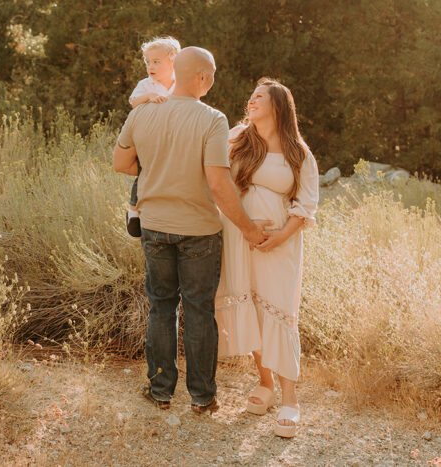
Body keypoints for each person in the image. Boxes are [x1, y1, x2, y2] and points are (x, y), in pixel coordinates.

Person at [113, 47, 267, 414]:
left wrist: (157, 168)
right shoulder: (212, 119)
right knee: (199, 311)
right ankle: (202, 397)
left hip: (154, 226)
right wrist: (247, 228)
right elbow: (218, 183)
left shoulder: (142, 113)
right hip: (199, 230)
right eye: (211, 74)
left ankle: (161, 391)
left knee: (161, 308)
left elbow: (121, 163)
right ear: (202, 78)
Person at [214, 78, 319, 438]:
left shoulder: (298, 152)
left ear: (278, 105)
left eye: (260, 97)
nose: (251, 100)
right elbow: (215, 180)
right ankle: (265, 383)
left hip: (279, 246)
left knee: (280, 312)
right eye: (252, 96)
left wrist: (279, 237)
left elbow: (306, 205)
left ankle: (290, 399)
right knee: (250, 310)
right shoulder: (235, 138)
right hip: (239, 239)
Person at [125, 37, 180, 238]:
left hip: (174, 139)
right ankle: (133, 211)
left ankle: (170, 208)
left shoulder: (180, 83)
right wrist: (148, 97)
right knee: (145, 171)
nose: (151, 66)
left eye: (156, 61)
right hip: (150, 137)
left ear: (173, 62)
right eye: (148, 62)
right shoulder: (146, 85)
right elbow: (133, 102)